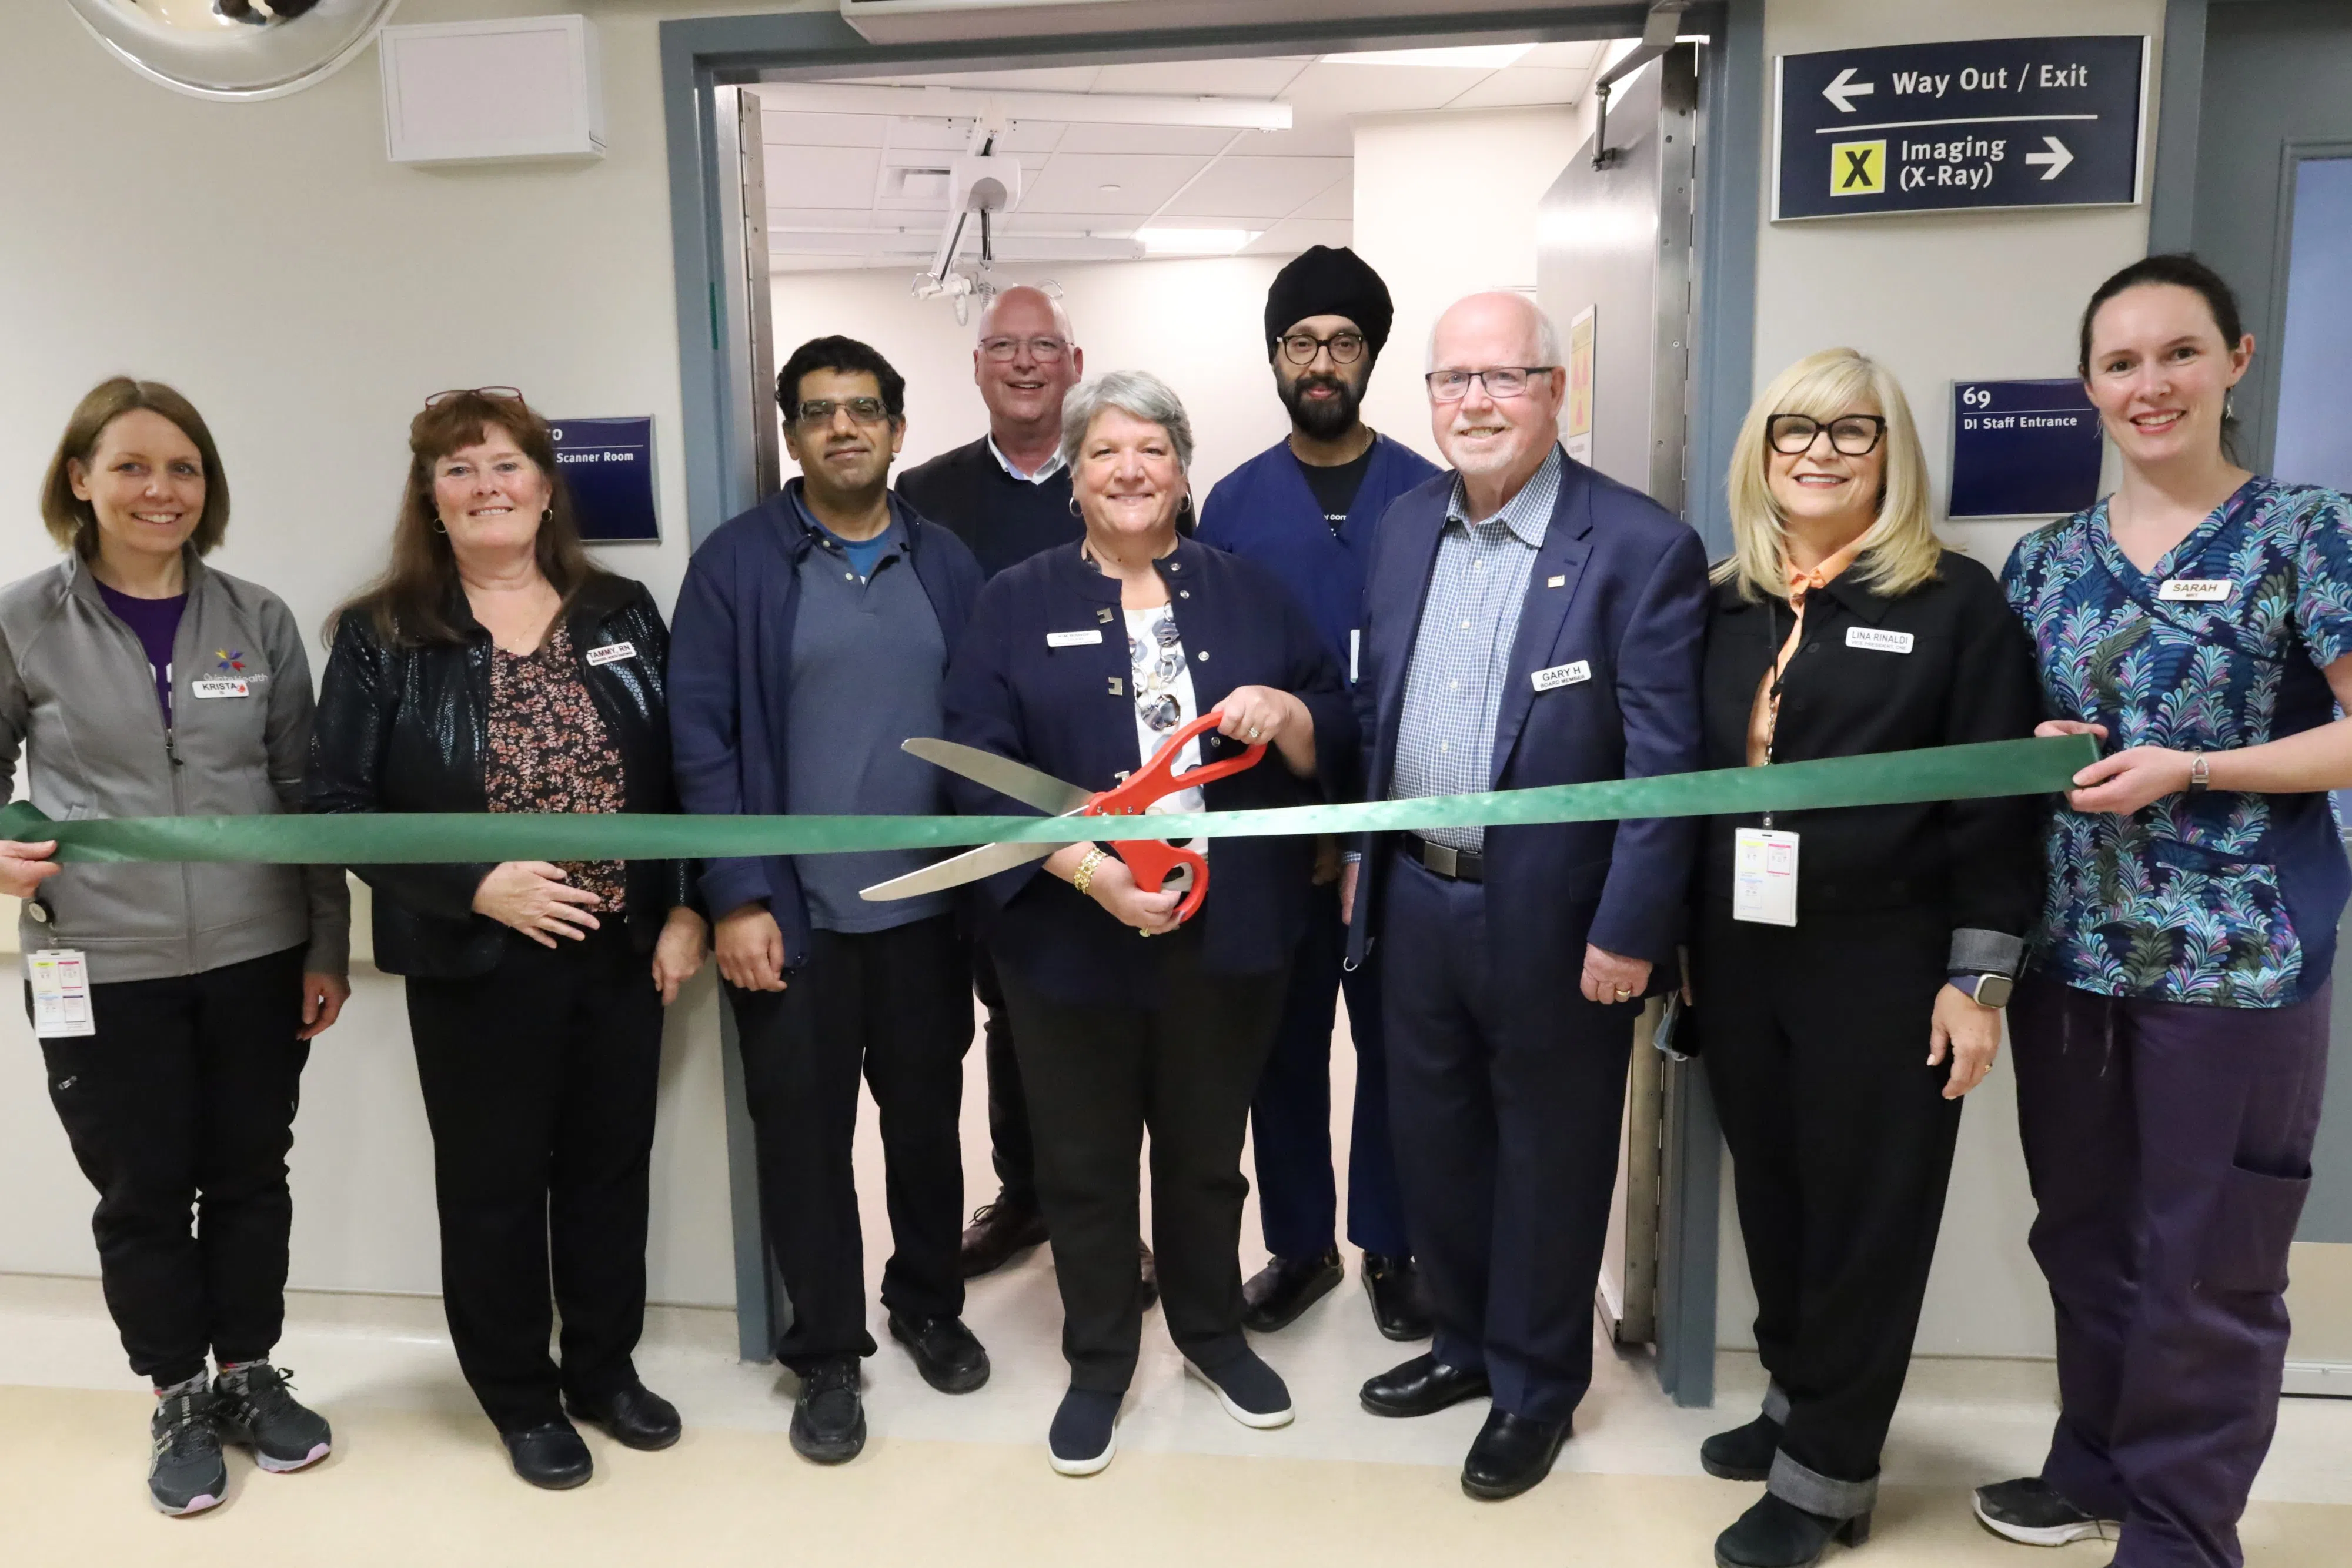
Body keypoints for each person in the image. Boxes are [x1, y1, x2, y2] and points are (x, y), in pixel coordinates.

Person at [1976, 255, 2352, 1568]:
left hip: (2237, 966)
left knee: (2207, 1255)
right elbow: (2014, 747)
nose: (2150, 384)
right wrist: (2035, 741)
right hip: (2070, 953)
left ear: (2232, 363)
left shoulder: (2307, 533)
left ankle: (2183, 1529)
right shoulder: (2041, 563)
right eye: (2122, 362)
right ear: (2087, 386)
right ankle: (2092, 1462)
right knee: (2081, 1228)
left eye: (2177, 354)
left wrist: (2195, 768)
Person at [941, 369, 1355, 1476]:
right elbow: (979, 771)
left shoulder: (1250, 593)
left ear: (1182, 469)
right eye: (1105, 453)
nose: (1130, 471)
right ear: (1073, 476)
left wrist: (1297, 714)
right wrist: (1090, 873)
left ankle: (1213, 1334)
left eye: (1152, 451)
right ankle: (1099, 1360)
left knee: (1208, 1151)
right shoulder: (1012, 601)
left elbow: (1340, 727)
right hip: (1068, 936)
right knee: (1081, 1159)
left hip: (1227, 936)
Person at [1345, 292, 1709, 1501]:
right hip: (1415, 900)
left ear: (1556, 390)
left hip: (1560, 923)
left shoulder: (1638, 548)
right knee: (1432, 1142)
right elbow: (1374, 713)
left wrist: (1628, 926)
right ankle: (1459, 1343)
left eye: (1503, 378)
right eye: (1452, 381)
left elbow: (1665, 768)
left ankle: (1535, 1385)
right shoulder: (1401, 529)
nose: (1475, 403)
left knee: (1548, 1156)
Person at [308, 387, 706, 1491]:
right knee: (492, 1185)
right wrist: (478, 886)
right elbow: (335, 810)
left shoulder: (622, 610)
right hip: (475, 962)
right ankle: (520, 1398)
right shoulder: (384, 636)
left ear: (545, 487)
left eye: (508, 465)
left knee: (608, 1171)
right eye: (459, 469)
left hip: (619, 952)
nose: (488, 485)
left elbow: (677, 779)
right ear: (431, 500)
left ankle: (603, 1370)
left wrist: (680, 905)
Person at [1686, 349, 2043, 1568]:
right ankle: (1796, 1402)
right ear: (1761, 450)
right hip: (1740, 954)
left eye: (1851, 432)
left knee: (1864, 1218)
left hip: (1884, 960)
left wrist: (1976, 979)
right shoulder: (1724, 598)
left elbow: (1992, 809)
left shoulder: (1954, 602)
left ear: (1889, 452)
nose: (1819, 454)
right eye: (1795, 430)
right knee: (1776, 1196)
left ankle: (1827, 1480)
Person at [0, 377, 349, 1516]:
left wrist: (324, 944)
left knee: (250, 1174)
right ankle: (174, 1390)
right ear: (80, 481)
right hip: (95, 962)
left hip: (255, 950)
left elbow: (305, 793)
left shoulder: (257, 618)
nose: (162, 489)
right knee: (142, 1192)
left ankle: (248, 1372)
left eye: (185, 467)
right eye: (135, 466)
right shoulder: (22, 622)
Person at [670, 337, 987, 1467]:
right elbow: (700, 741)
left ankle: (928, 1303)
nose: (842, 428)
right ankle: (828, 1353)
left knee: (924, 1131)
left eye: (864, 409)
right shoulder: (740, 565)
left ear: (899, 429)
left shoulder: (945, 561)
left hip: (925, 915)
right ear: (791, 434)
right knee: (804, 1143)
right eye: (818, 412)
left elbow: (984, 731)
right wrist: (737, 894)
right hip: (791, 924)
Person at [1197, 246, 1438, 1339]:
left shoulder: (1429, 498)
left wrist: (1360, 831)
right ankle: (1301, 1247)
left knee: (1395, 1042)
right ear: (1276, 358)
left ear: (1372, 355)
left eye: (1344, 342)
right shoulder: (1235, 504)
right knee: (1276, 1048)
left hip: (1394, 831)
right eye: (1302, 343)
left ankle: (1393, 1241)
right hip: (1272, 834)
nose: (1322, 362)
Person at [897, 287, 1152, 1303]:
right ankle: (1027, 1192)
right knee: (1013, 1012)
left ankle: (1112, 1218)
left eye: (1044, 346)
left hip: (1113, 802)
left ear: (1075, 359)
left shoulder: (1123, 476)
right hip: (987, 798)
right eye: (1004, 346)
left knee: (1116, 1019)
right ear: (977, 367)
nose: (1025, 363)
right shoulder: (929, 493)